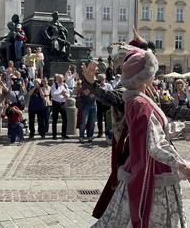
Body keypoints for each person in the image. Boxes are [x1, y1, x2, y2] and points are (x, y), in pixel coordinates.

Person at [82, 44, 190, 220]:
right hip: (143, 160)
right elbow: (110, 97)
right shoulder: (135, 100)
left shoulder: (149, 93)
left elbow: (169, 113)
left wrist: (185, 127)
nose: (155, 76)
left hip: (152, 160)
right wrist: (93, 84)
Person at [50, 74, 70, 140]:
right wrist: (61, 93)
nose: (60, 80)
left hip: (63, 103)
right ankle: (54, 135)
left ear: (63, 78)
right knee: (55, 119)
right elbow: (53, 94)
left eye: (61, 79)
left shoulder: (65, 85)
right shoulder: (54, 85)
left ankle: (63, 134)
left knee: (65, 119)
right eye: (59, 79)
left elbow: (68, 94)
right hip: (55, 103)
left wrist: (66, 95)